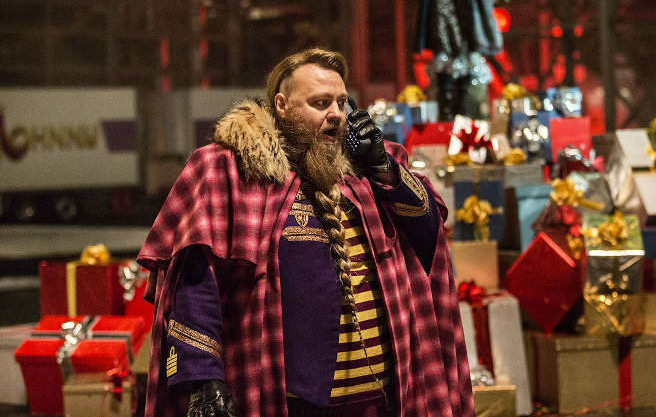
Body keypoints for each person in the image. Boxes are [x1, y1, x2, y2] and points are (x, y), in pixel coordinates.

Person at [137, 48, 474, 417]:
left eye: (342, 103)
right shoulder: (230, 171)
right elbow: (197, 281)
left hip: (380, 402)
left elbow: (429, 238)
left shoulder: (374, 168)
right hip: (291, 403)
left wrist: (382, 167)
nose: (336, 114)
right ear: (281, 106)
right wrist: (203, 378)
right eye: (320, 102)